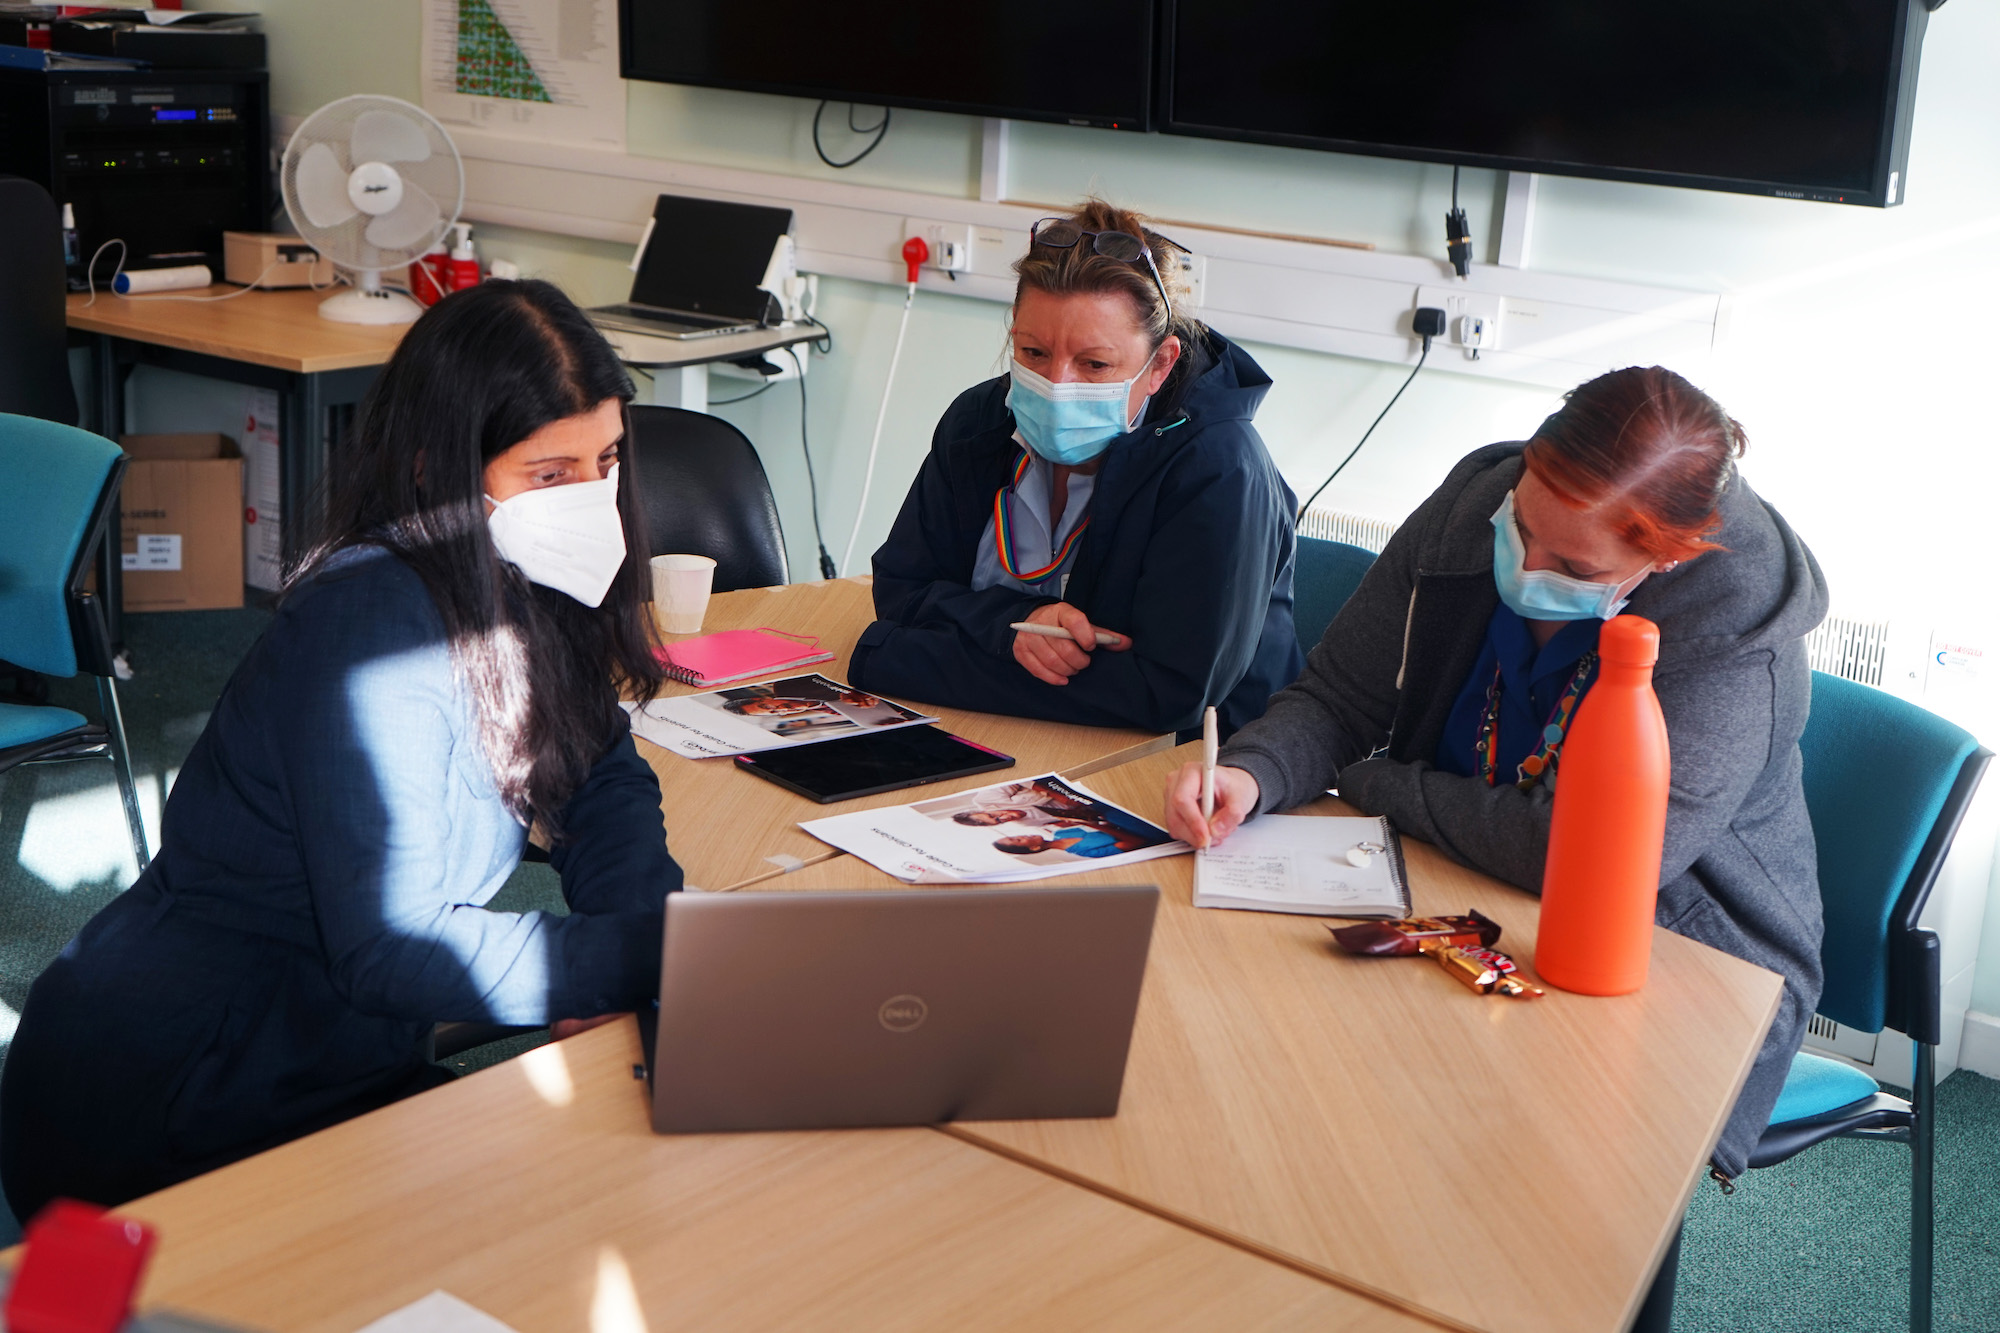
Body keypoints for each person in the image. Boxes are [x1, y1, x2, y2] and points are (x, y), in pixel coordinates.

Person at [0, 280, 681, 1220]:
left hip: (329, 1047)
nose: (594, 498)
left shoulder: (527, 572)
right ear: (435, 468)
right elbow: (392, 947)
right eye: (549, 473)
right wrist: (636, 957)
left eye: (607, 459)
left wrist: (656, 934)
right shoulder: (372, 626)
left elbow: (603, 774)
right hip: (180, 1088)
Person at [1165, 366, 1828, 1185]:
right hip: (1448, 881)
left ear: (1661, 560)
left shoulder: (1737, 630)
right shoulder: (1475, 501)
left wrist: (1379, 787)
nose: (1526, 565)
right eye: (1523, 523)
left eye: (1574, 567)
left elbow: (1585, 859)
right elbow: (1341, 693)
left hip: (1680, 944)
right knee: (1282, 1071)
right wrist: (1252, 773)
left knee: (1558, 1173)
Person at [850, 199, 1303, 738]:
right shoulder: (978, 423)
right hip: (1008, 730)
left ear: (1160, 364)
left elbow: (1168, 695)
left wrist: (894, 656)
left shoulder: (1220, 468)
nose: (1057, 385)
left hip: (1198, 769)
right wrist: (1008, 628)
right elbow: (902, 591)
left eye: (1094, 364)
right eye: (1034, 352)